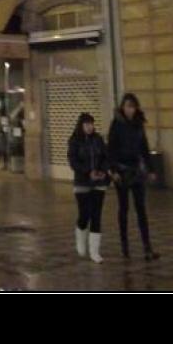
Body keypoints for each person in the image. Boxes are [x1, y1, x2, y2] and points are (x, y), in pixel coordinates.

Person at [108, 93, 160, 261]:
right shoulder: (116, 124)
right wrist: (113, 170)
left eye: (132, 106)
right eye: (127, 106)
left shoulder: (139, 124)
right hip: (122, 171)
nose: (130, 109)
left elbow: (144, 147)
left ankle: (147, 248)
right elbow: (111, 149)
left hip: (137, 171)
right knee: (124, 209)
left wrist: (151, 169)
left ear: (136, 107)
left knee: (141, 209)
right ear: (122, 107)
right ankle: (125, 247)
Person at [67, 112, 110, 263]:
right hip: (82, 183)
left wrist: (102, 171)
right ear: (81, 126)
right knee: (84, 214)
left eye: (91, 124)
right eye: (86, 124)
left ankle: (95, 251)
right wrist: (87, 171)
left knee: (96, 215)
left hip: (99, 182)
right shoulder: (74, 141)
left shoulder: (98, 140)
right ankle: (80, 238)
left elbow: (106, 157)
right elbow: (73, 162)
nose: (90, 127)